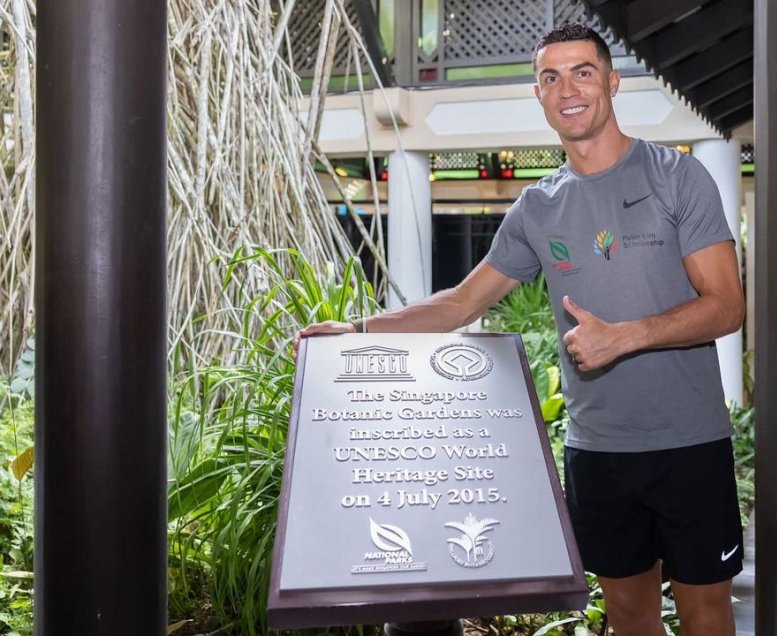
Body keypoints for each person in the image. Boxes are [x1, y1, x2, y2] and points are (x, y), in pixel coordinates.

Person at [296, 23, 744, 636]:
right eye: (550, 76)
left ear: (612, 82)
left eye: (583, 71)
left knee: (705, 615)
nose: (568, 88)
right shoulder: (538, 207)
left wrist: (626, 336)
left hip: (689, 444)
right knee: (631, 616)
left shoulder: (677, 177)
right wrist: (359, 329)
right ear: (539, 94)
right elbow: (459, 303)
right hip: (598, 452)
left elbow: (725, 306)